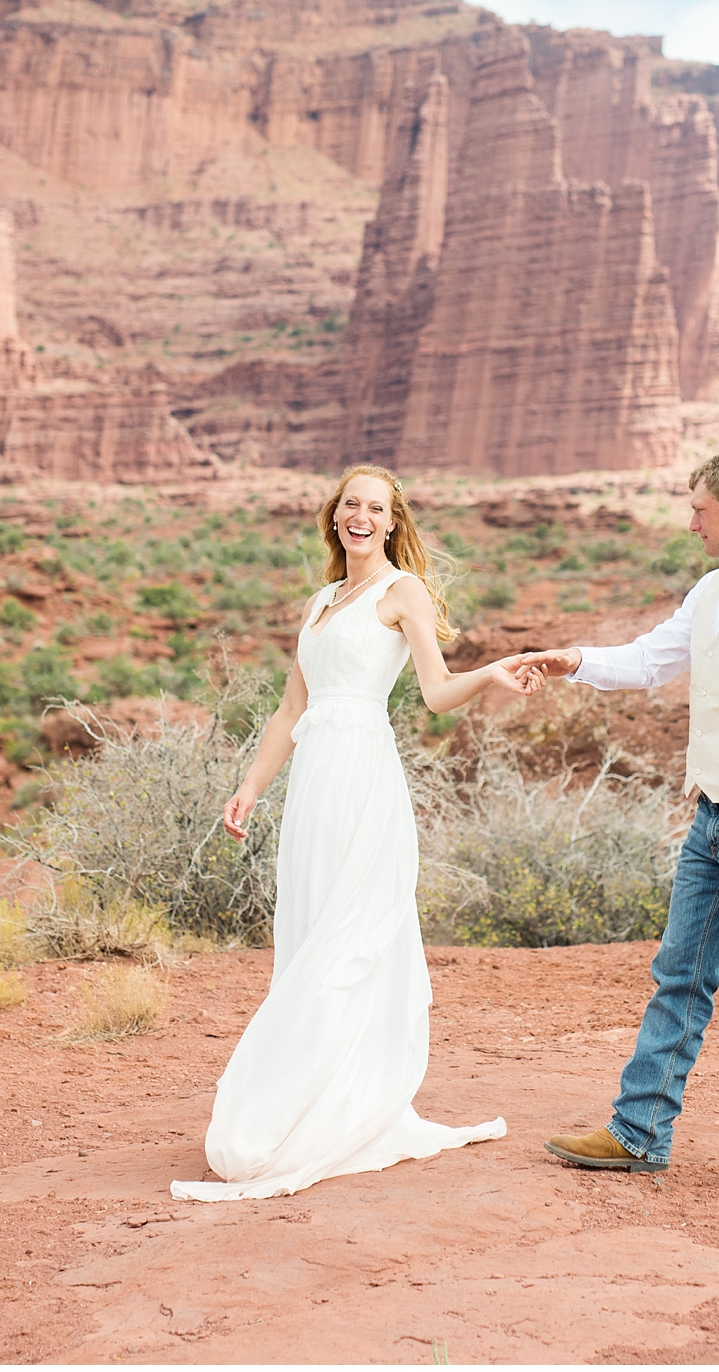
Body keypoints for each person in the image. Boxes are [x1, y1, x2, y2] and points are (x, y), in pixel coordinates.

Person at [171, 464, 538, 1202]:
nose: (361, 517)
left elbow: (435, 695)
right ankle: (306, 1100)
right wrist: (248, 788)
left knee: (351, 938)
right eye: (351, 505)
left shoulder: (403, 592)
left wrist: (491, 672)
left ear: (393, 522)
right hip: (314, 787)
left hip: (366, 781)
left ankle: (342, 1107)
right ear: (333, 517)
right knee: (308, 932)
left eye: (376, 507)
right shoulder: (318, 603)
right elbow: (288, 713)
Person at [520, 451, 719, 1199]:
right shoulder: (712, 590)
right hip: (712, 813)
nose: (690, 519)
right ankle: (638, 1134)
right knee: (681, 973)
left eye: (699, 506)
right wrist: (574, 660)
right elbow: (649, 659)